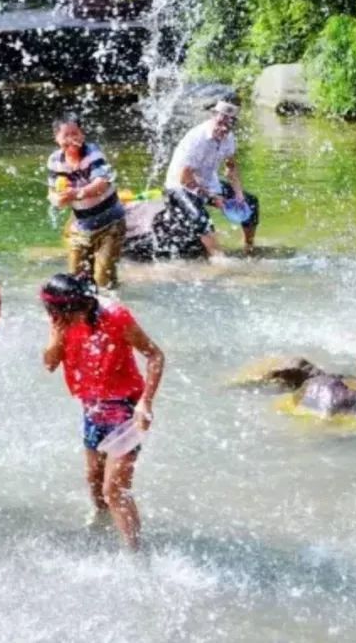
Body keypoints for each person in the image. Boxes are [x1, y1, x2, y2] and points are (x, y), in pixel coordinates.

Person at [40, 273, 164, 551]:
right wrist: (57, 337)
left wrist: (147, 402)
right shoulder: (61, 321)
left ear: (76, 307)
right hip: (92, 407)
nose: (55, 319)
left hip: (126, 408)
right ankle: (103, 529)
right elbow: (49, 364)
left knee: (115, 489)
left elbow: (155, 355)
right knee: (94, 481)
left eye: (59, 315)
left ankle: (136, 555)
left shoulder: (117, 317)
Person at [163, 100, 260, 256]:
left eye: (228, 125)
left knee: (251, 202)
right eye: (220, 122)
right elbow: (185, 178)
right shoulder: (197, 139)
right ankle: (218, 259)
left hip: (208, 183)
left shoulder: (229, 138)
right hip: (179, 187)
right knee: (202, 219)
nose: (223, 128)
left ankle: (249, 248)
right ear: (213, 116)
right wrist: (213, 198)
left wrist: (239, 194)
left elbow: (231, 167)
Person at [47, 115, 126, 289]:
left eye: (75, 134)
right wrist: (58, 200)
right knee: (76, 279)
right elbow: (52, 193)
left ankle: (112, 307)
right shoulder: (54, 161)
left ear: (82, 135)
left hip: (111, 224)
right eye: (65, 135)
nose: (71, 139)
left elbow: (102, 184)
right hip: (81, 226)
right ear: (56, 138)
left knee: (102, 280)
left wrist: (77, 193)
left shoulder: (92, 153)